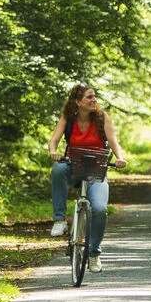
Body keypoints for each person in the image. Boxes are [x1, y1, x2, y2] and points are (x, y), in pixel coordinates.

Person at [46, 84, 128, 273]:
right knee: (58, 169)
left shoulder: (102, 118)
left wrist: (120, 158)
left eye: (94, 96)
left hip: (96, 170)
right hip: (73, 166)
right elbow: (54, 140)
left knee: (99, 209)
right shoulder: (68, 118)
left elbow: (113, 141)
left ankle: (93, 253)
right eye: (89, 97)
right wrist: (53, 152)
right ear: (78, 102)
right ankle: (59, 220)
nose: (94, 100)